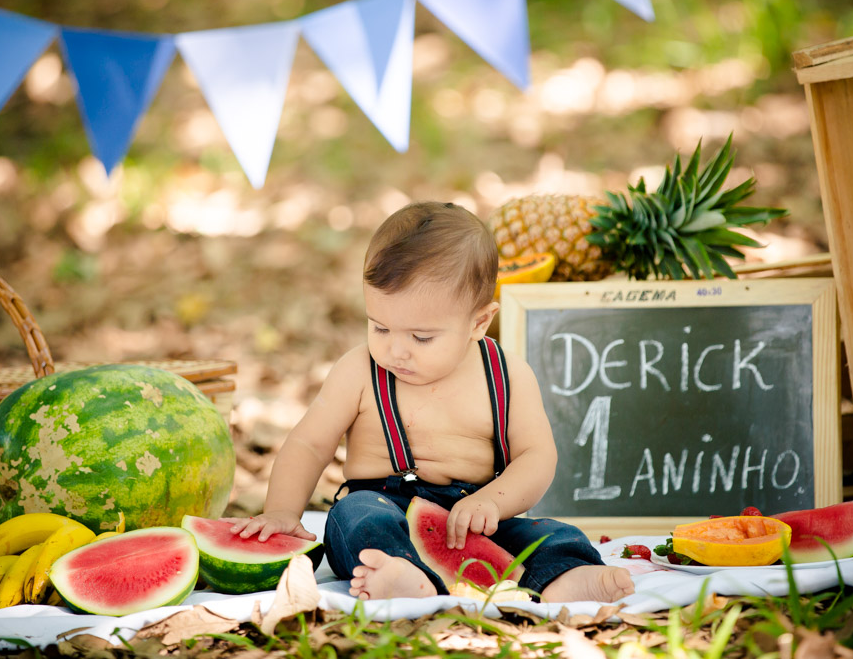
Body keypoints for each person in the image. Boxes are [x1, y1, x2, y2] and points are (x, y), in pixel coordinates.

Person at [228, 201, 633, 602]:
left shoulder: (507, 375)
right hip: (385, 504)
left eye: (421, 337)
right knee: (353, 518)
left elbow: (537, 455)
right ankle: (398, 572)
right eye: (380, 327)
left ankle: (566, 576)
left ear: (478, 322)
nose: (396, 350)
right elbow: (309, 444)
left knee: (555, 534)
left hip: (476, 517)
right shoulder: (358, 371)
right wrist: (282, 511)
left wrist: (492, 502)